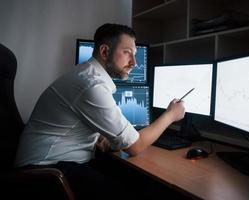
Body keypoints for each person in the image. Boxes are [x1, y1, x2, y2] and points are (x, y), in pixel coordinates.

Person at [14, 23, 185, 199]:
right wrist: (170, 115)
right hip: (45, 174)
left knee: (139, 180)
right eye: (127, 53)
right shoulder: (91, 85)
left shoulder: (85, 75)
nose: (134, 62)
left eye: (134, 54)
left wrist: (100, 138)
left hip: (54, 164)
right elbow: (135, 146)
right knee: (146, 188)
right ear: (104, 52)